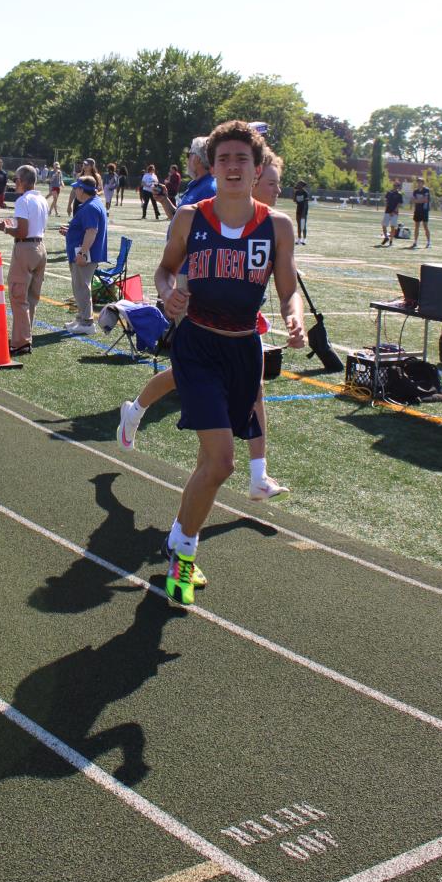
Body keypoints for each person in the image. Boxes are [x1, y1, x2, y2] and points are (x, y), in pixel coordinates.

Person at [154, 120, 305, 605]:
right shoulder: (189, 218)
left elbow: (288, 289)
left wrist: (295, 317)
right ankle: (183, 555)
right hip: (197, 346)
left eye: (243, 158)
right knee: (222, 461)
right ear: (212, 167)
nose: (233, 166)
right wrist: (167, 295)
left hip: (243, 351)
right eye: (224, 159)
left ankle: (178, 537)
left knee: (207, 461)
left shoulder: (278, 226)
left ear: (257, 169)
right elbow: (164, 270)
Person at [119, 139, 289, 501]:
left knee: (250, 389)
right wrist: (172, 291)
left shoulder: (272, 225)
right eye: (272, 183)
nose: (277, 191)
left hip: (240, 320)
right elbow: (179, 247)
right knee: (184, 376)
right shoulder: (213, 198)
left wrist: (289, 305)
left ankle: (254, 474)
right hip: (195, 302)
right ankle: (135, 411)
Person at [0, 165, 49, 355]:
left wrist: (5, 228)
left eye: (16, 179)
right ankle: (25, 337)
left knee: (18, 296)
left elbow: (22, 231)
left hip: (25, 248)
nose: (14, 183)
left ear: (21, 181)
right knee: (31, 298)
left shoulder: (23, 200)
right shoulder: (41, 199)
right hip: (40, 248)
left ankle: (21, 341)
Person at [59, 174, 108, 334]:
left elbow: (92, 231)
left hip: (85, 254)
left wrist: (82, 253)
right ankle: (81, 318)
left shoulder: (90, 207)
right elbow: (86, 229)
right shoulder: (91, 204)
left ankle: (87, 323)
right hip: (83, 252)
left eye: (76, 188)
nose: (75, 191)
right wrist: (71, 231)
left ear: (82, 190)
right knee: (78, 286)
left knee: (81, 287)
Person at [409, 178, 431, 249]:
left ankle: (429, 242)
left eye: (420, 182)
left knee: (425, 226)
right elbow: (412, 200)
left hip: (424, 210)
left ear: (423, 183)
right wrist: (419, 201)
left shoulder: (426, 190)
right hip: (417, 210)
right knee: (416, 227)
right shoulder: (415, 191)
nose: (418, 183)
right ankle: (415, 242)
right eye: (418, 182)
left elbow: (425, 200)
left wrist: (417, 201)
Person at [292, 180, 310, 245]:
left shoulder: (305, 193)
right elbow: (294, 200)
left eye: (299, 184)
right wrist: (294, 192)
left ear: (302, 186)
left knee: (303, 225)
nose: (297, 184)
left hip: (304, 210)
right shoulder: (297, 192)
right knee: (299, 225)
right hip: (298, 210)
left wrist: (303, 213)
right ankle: (299, 239)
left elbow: (305, 204)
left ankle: (304, 239)